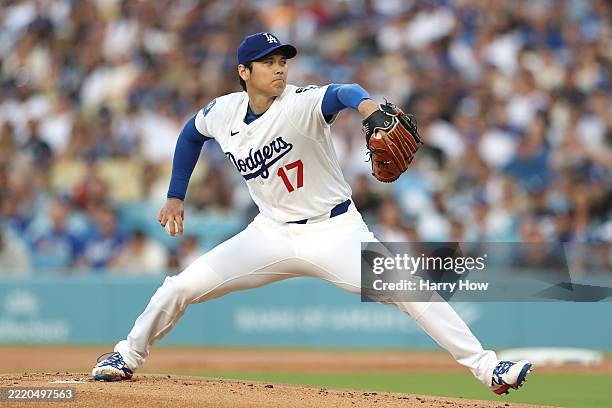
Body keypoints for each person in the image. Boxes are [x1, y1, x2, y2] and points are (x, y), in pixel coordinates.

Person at [92, 32, 531, 395]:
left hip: (334, 231)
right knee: (180, 286)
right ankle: (125, 355)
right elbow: (190, 135)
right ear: (244, 72)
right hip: (268, 234)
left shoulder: (301, 103)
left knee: (410, 291)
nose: (280, 67)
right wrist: (175, 194)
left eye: (282, 59)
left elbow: (343, 92)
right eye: (267, 62)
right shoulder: (223, 111)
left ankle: (488, 368)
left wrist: (369, 111)